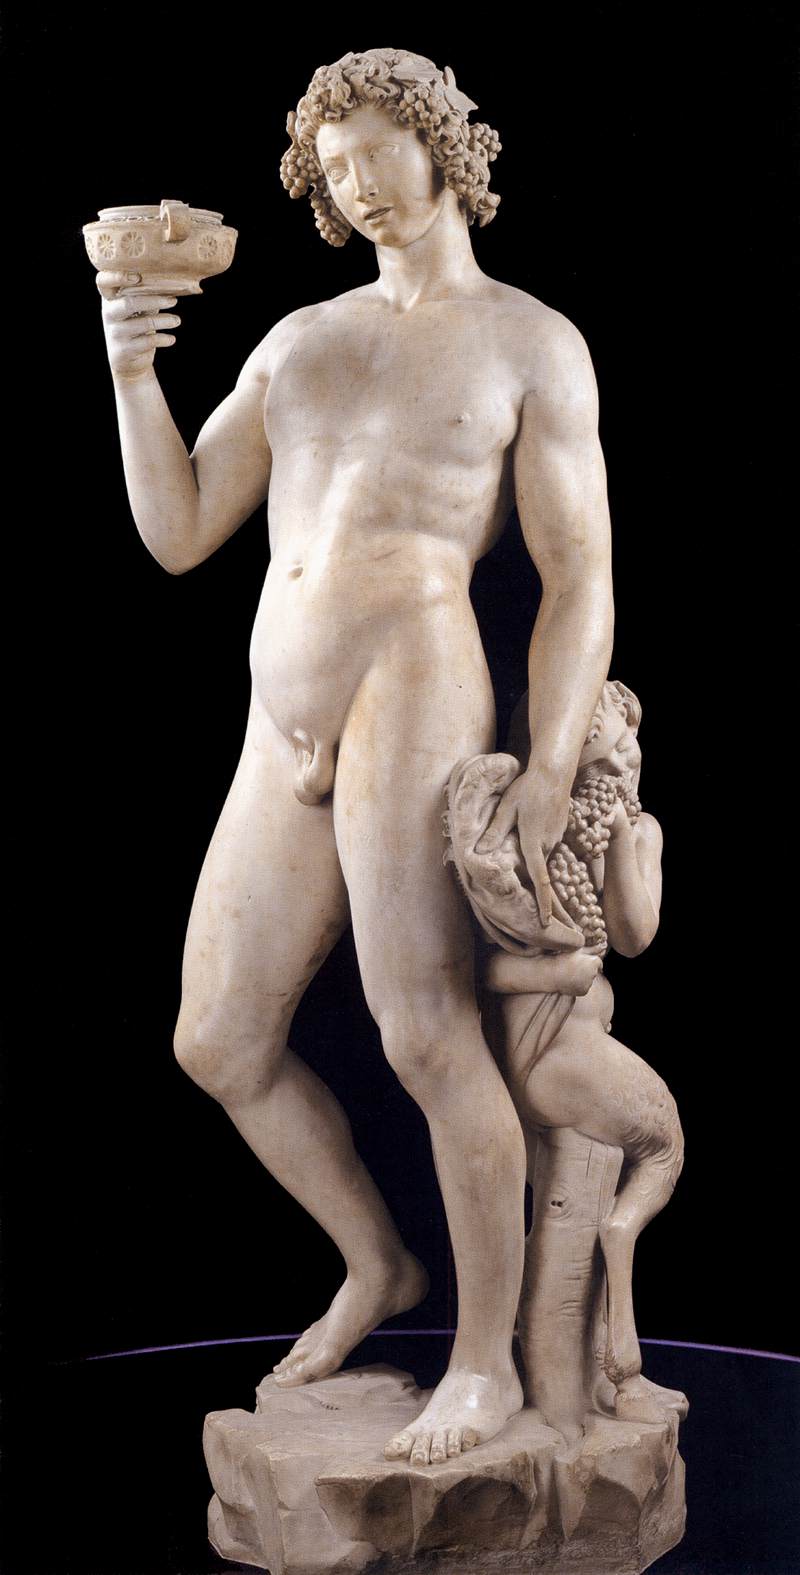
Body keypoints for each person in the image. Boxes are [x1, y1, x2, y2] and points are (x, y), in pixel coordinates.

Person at [95, 47, 614, 1467]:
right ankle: (378, 1262)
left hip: (415, 690)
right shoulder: (300, 341)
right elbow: (181, 530)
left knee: (427, 1032)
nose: (357, 184)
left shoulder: (528, 343)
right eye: (332, 169)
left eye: (376, 150)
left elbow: (578, 578)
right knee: (218, 1036)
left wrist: (549, 761)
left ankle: (485, 1362)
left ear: (442, 145)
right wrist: (132, 371)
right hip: (280, 716)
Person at [475, 681, 684, 1435]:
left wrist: (622, 836)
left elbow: (633, 934)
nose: (623, 762)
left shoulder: (636, 832)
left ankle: (600, 1375)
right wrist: (557, 973)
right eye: (603, 752)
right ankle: (616, 1307)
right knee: (663, 1143)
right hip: (542, 1051)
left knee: (600, 1170)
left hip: (583, 1045)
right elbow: (475, 974)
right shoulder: (518, 838)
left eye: (630, 744)